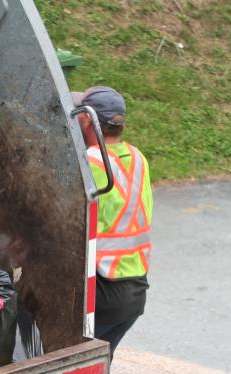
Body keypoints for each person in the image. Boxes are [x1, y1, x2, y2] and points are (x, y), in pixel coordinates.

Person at [73, 86, 153, 356]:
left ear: (87, 119)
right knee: (95, 369)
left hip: (102, 291)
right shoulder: (138, 158)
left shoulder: (90, 161)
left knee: (69, 367)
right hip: (135, 292)